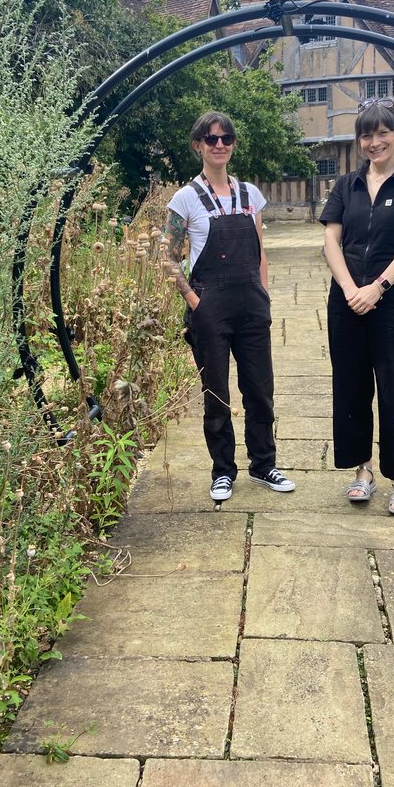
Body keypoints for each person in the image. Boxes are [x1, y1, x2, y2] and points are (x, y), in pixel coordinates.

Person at [164, 111, 295, 503]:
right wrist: (194, 301)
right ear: (198, 145)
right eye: (211, 138)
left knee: (260, 390)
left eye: (226, 138)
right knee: (216, 394)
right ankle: (223, 471)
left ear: (233, 144)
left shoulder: (250, 195)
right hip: (210, 308)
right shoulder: (185, 199)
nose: (219, 145)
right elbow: (167, 259)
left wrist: (264, 294)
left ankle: (263, 465)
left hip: (251, 305)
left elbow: (260, 251)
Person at [319, 98, 394, 516]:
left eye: (382, 133)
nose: (375, 142)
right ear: (359, 141)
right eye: (366, 135)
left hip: (392, 304)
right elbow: (331, 240)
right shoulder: (346, 185)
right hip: (346, 301)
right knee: (350, 386)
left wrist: (378, 287)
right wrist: (351, 288)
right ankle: (362, 471)